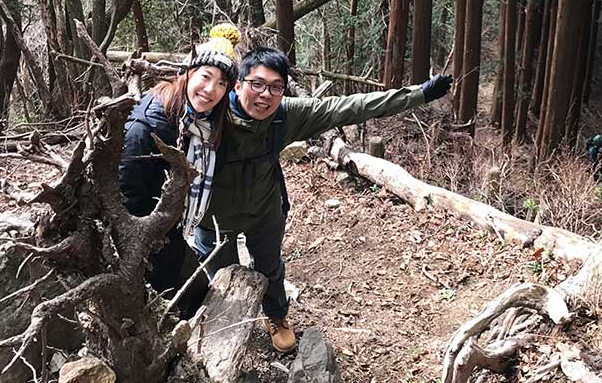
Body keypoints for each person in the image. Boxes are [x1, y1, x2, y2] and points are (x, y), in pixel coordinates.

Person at [194, 44, 451, 353]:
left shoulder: (284, 116)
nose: (265, 95)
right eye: (257, 84)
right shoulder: (207, 113)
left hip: (263, 210)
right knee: (221, 276)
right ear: (238, 84)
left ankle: (276, 317)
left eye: (276, 88)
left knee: (270, 268)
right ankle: (228, 326)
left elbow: (350, 106)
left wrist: (419, 94)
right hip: (214, 219)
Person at [118, 23, 241, 318]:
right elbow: (128, 192)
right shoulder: (148, 125)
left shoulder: (207, 123)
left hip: (171, 230)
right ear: (188, 73)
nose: (211, 89)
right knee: (180, 305)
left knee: (195, 297)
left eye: (221, 83)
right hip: (143, 235)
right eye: (206, 76)